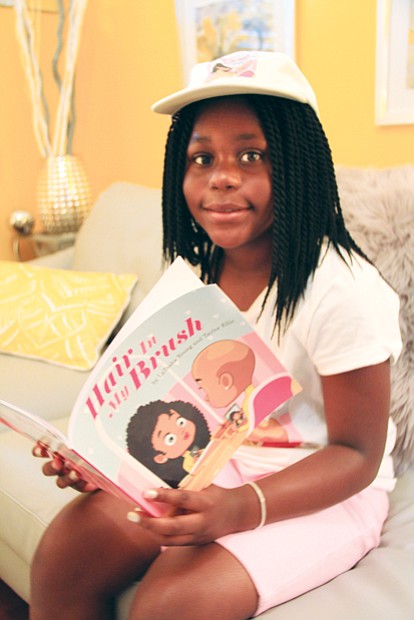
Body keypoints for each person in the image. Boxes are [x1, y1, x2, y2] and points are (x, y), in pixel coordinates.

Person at [30, 51, 402, 620]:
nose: (221, 176)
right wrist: (106, 462)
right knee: (65, 553)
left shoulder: (342, 291)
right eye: (201, 158)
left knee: (172, 604)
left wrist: (239, 508)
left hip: (323, 486)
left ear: (299, 167)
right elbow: (187, 403)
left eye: (250, 155)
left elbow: (357, 453)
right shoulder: (199, 275)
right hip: (215, 457)